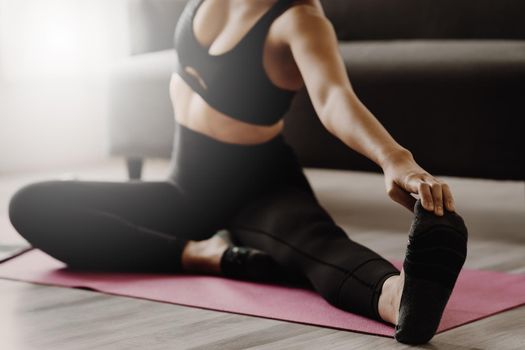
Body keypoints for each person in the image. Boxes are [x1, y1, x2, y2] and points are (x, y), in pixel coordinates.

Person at [8, 0, 468, 344]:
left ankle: (398, 296)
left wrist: (395, 159)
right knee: (31, 205)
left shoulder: (300, 19)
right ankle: (202, 254)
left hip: (258, 186)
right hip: (185, 187)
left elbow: (333, 99)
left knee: (316, 248)